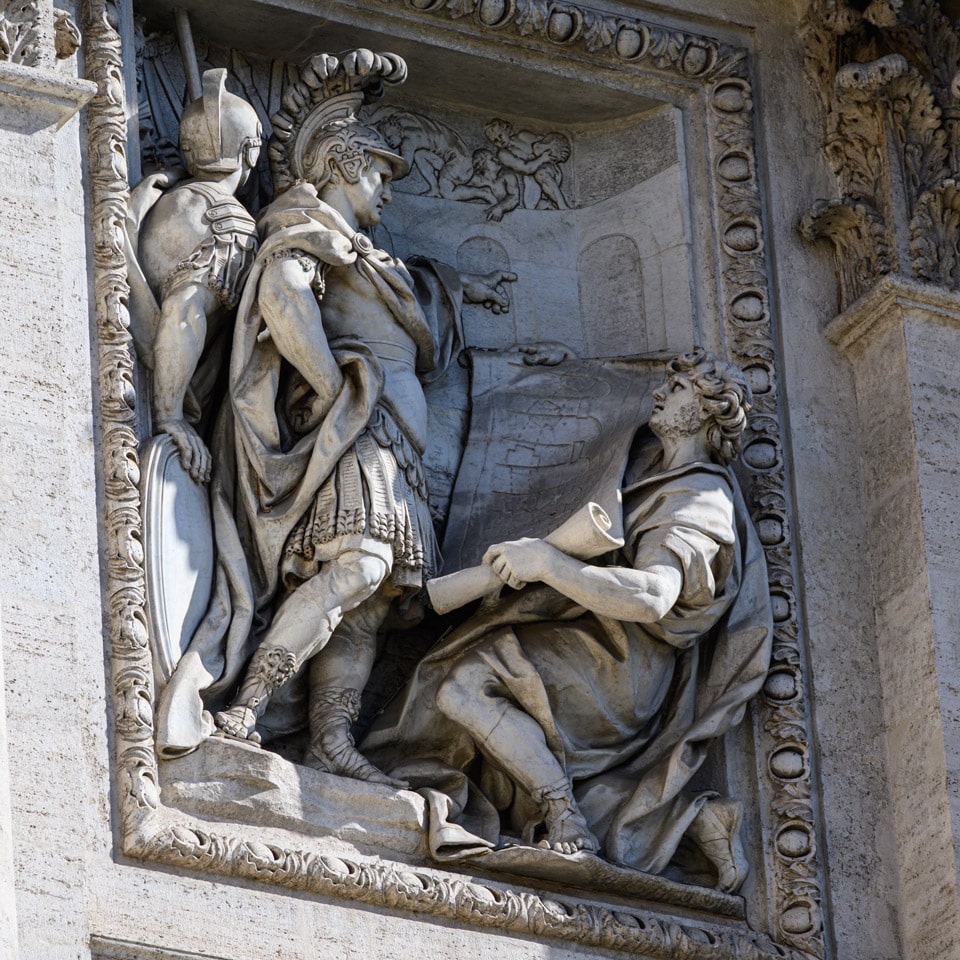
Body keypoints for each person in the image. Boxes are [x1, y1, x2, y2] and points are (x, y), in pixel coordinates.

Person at [199, 50, 515, 784]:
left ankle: (329, 741)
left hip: (397, 442)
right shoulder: (309, 232)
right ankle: (249, 705)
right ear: (340, 165)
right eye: (378, 174)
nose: (388, 193)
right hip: (361, 434)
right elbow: (281, 295)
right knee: (360, 566)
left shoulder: (366, 253)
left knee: (373, 602)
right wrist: (333, 380)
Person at [363, 350, 773, 892]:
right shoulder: (655, 468)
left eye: (675, 390)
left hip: (623, 669)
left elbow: (653, 595)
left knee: (465, 687)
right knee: (461, 705)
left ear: (701, 411)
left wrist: (550, 563)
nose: (658, 394)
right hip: (590, 642)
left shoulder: (698, 500)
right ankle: (688, 821)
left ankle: (567, 819)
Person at [130, 68, 262, 482]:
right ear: (249, 153)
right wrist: (170, 415)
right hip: (161, 400)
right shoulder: (229, 226)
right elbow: (185, 310)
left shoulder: (171, 198)